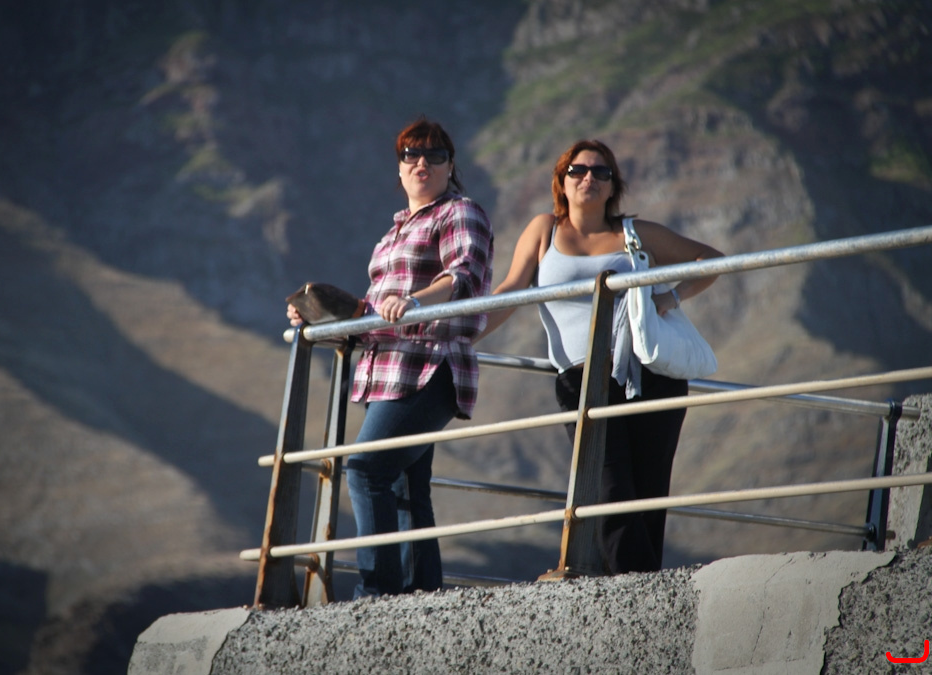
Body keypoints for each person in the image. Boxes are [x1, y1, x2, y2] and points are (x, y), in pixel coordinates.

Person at [479, 139, 723, 574]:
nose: (588, 177)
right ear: (562, 181)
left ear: (613, 186)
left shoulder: (635, 233)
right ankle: (640, 587)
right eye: (577, 170)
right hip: (582, 379)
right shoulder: (544, 230)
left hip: (650, 375)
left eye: (601, 171)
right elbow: (511, 290)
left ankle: (641, 590)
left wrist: (669, 297)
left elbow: (711, 259)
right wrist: (464, 335)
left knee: (648, 492)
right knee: (608, 487)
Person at [286, 117, 494, 597]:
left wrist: (417, 300)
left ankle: (377, 595)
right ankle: (421, 597)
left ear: (450, 166)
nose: (422, 163)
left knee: (365, 470)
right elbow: (375, 308)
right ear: (399, 168)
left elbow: (464, 274)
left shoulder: (460, 212)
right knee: (404, 489)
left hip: (430, 364)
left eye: (435, 155)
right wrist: (315, 317)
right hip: (385, 371)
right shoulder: (393, 233)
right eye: (410, 155)